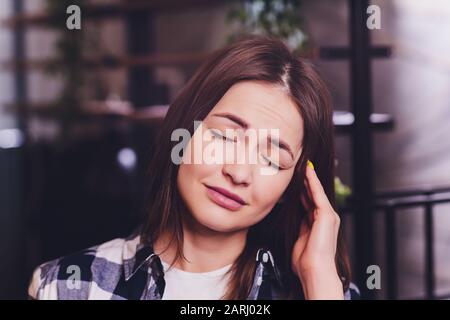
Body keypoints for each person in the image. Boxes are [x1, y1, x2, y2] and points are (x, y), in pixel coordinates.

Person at [28, 36, 360, 300]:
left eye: (272, 159)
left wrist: (319, 280)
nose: (239, 173)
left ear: (295, 187)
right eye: (225, 136)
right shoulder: (68, 287)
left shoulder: (326, 290)